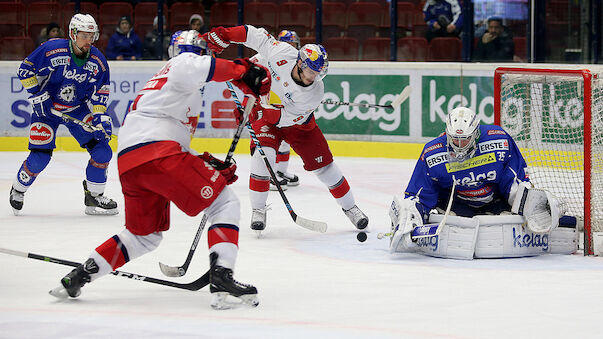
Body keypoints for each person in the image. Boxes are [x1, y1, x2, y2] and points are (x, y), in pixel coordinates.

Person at [49, 30, 272, 309]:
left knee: (143, 236)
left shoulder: (170, 84)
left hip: (134, 162)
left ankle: (79, 275)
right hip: (158, 153)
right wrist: (245, 69)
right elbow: (204, 67)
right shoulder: (182, 64)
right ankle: (222, 278)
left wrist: (204, 164)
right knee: (224, 203)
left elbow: (169, 135)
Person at [203, 25, 369, 232]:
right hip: (267, 117)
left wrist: (259, 112)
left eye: (317, 73)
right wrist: (225, 36)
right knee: (263, 159)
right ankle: (258, 209)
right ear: (299, 62)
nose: (313, 77)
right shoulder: (281, 52)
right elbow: (254, 35)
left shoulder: (315, 91)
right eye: (310, 71)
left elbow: (286, 118)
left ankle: (350, 208)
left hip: (299, 124)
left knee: (325, 168)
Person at [388, 107, 570, 257]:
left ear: (475, 133)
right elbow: (419, 194)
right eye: (455, 139)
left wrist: (527, 202)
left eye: (465, 139)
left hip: (496, 201)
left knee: (521, 209)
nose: (459, 145)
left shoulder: (499, 140)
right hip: (457, 205)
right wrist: (412, 216)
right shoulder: (432, 153)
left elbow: (514, 179)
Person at [9, 14, 117, 216]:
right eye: (84, 35)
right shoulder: (52, 49)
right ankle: (18, 188)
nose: (89, 40)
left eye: (92, 36)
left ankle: (94, 196)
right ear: (73, 34)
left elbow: (101, 92)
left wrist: (100, 118)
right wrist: (38, 95)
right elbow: (25, 70)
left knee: (102, 151)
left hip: (77, 108)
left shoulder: (98, 61)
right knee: (39, 158)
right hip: (46, 110)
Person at [250, 29, 301, 191]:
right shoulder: (266, 55)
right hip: (266, 106)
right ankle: (268, 175)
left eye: (294, 45)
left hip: (284, 108)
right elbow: (246, 67)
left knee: (285, 141)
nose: (292, 48)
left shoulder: (296, 62)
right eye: (290, 44)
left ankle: (280, 171)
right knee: (265, 142)